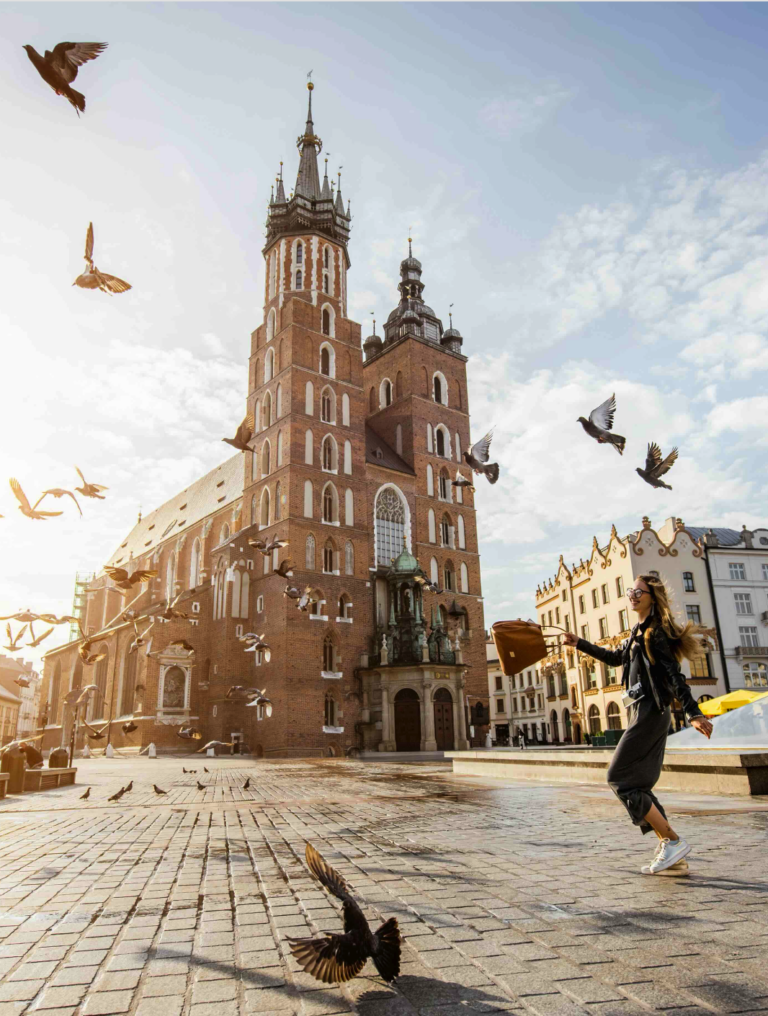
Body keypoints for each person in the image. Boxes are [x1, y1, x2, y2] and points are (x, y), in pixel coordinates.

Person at [562, 573, 713, 875]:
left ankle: (672, 841)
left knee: (619, 778)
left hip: (650, 711)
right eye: (630, 591)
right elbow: (615, 658)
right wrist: (580, 643)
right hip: (640, 711)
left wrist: (693, 712)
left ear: (652, 597)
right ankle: (673, 852)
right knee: (638, 784)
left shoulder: (655, 633)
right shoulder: (637, 631)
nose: (632, 596)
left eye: (638, 592)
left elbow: (674, 675)